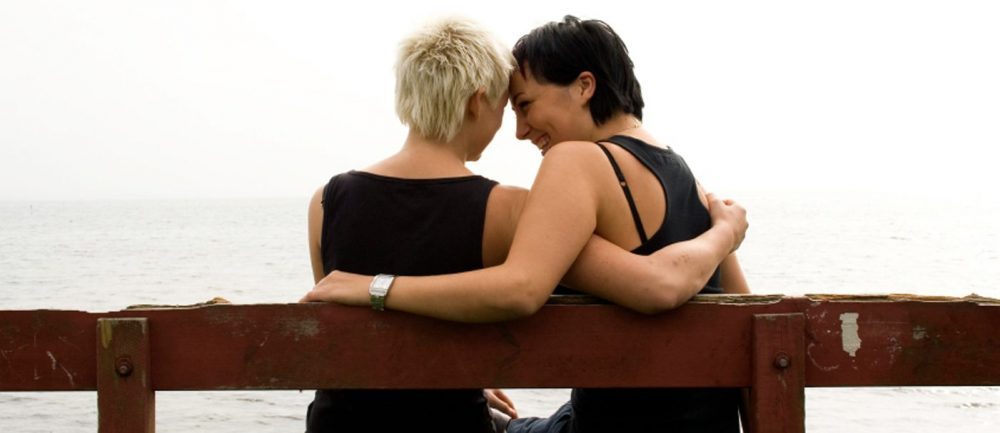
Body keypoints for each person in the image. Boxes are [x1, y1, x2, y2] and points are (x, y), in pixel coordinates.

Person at [302, 16, 747, 433]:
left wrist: (376, 286)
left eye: (525, 104)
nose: (517, 129)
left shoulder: (326, 200)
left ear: (584, 86)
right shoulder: (687, 177)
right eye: (507, 106)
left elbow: (526, 287)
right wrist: (724, 233)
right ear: (479, 102)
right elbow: (748, 313)